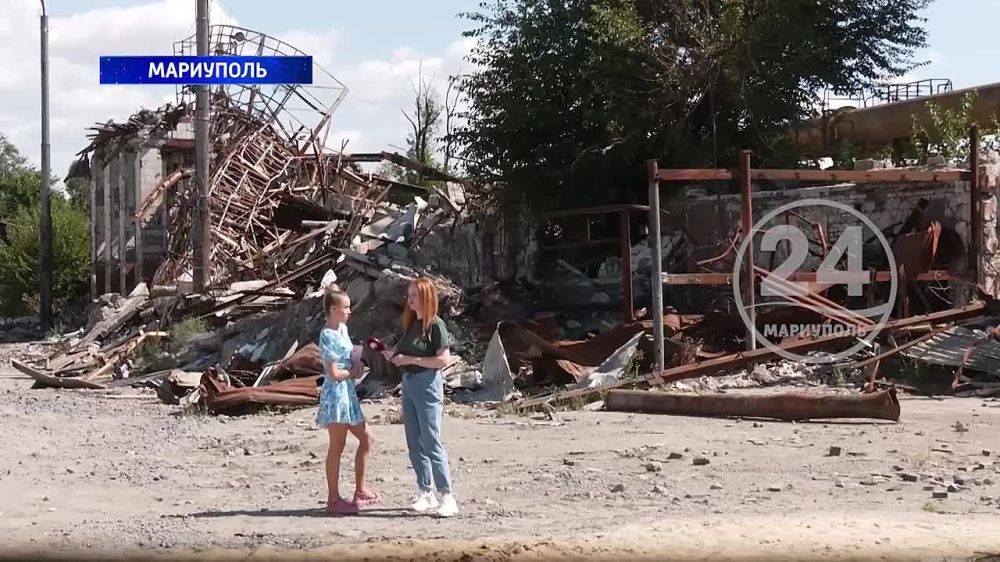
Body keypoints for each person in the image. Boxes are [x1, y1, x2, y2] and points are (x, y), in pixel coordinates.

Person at [382, 277, 458, 517]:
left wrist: (411, 360)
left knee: (431, 440)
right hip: (409, 383)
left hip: (427, 384)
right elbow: (405, 352)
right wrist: (393, 356)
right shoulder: (412, 324)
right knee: (414, 441)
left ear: (426, 297)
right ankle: (426, 492)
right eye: (409, 295)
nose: (410, 299)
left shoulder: (436, 325)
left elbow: (443, 360)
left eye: (414, 295)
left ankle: (447, 495)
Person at [316, 286, 380, 515]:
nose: (349, 311)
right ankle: (333, 498)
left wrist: (358, 362)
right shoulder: (327, 335)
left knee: (367, 438)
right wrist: (352, 372)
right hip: (336, 395)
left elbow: (348, 355)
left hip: (348, 392)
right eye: (346, 308)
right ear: (334, 309)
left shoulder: (342, 329)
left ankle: (360, 489)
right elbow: (333, 372)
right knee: (337, 445)